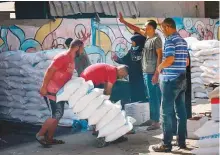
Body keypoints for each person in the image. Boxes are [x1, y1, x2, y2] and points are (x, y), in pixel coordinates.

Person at [36, 39, 85, 146]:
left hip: (60, 92)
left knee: (58, 115)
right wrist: (44, 87)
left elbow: (78, 44)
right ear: (77, 48)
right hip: (51, 90)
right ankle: (40, 135)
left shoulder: (71, 58)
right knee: (56, 114)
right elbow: (50, 70)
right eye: (82, 49)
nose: (83, 51)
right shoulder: (63, 57)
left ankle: (49, 138)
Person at [119, 13, 162, 130]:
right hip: (146, 71)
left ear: (153, 28)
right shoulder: (148, 37)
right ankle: (154, 118)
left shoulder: (156, 39)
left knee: (153, 96)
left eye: (148, 28)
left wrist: (157, 73)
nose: (145, 29)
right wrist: (123, 21)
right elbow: (136, 28)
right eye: (145, 28)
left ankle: (156, 121)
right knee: (154, 94)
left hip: (152, 72)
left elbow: (160, 56)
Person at [152, 18, 188, 152]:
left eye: (162, 28)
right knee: (181, 112)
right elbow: (186, 61)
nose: (162, 31)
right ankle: (182, 141)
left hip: (170, 81)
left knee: (165, 113)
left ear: (167, 27)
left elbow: (170, 59)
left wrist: (159, 68)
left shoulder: (170, 40)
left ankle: (166, 144)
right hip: (182, 79)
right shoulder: (183, 41)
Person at [112, 32, 146, 102]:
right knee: (134, 93)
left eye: (133, 42)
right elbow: (125, 60)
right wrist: (117, 59)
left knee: (142, 94)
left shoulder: (145, 51)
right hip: (133, 77)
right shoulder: (132, 51)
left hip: (142, 77)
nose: (132, 44)